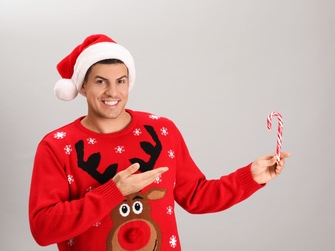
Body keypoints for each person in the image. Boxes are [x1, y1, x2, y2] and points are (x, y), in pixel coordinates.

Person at [28, 34, 291, 251]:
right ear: (83, 86)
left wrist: (250, 177)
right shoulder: (57, 146)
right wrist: (113, 191)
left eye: (121, 81)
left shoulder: (161, 131)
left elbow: (196, 196)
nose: (112, 92)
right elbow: (43, 229)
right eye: (100, 82)